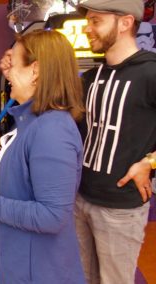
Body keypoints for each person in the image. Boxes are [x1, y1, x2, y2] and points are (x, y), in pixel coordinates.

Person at [0, 30, 86, 283]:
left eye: (12, 64)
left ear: (35, 71)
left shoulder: (52, 130)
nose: (7, 74)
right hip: (23, 263)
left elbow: (52, 215)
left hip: (41, 271)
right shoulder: (31, 120)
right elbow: (16, 177)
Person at [74, 0, 156, 283]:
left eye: (96, 21)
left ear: (125, 23)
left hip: (121, 210)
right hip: (80, 199)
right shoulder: (92, 76)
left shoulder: (150, 71)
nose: (87, 28)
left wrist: (150, 162)